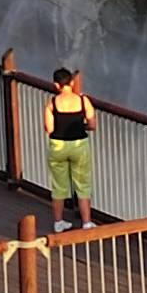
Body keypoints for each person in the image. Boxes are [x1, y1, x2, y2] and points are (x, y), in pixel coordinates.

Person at [43, 69, 98, 230]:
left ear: (56, 84)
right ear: (72, 83)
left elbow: (49, 128)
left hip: (58, 146)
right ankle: (86, 222)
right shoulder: (83, 101)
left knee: (59, 186)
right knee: (82, 185)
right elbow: (93, 125)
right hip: (79, 145)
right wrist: (82, 126)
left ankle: (59, 222)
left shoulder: (52, 103)